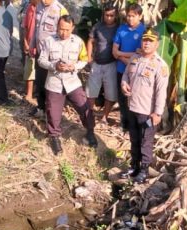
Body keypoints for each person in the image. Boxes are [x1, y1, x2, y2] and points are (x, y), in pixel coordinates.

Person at [38, 16, 97, 155]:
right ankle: (55, 137)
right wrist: (54, 66)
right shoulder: (49, 41)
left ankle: (90, 132)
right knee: (53, 113)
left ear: (72, 28)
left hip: (72, 82)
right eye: (61, 29)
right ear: (57, 27)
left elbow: (84, 59)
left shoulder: (77, 42)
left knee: (85, 108)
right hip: (54, 82)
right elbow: (41, 60)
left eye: (67, 30)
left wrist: (74, 67)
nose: (63, 32)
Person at [121, 27, 169, 184]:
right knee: (134, 139)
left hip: (147, 112)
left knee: (145, 142)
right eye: (144, 40)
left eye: (150, 41)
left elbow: (162, 92)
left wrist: (157, 113)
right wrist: (124, 84)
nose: (146, 43)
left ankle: (144, 170)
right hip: (132, 107)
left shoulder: (160, 66)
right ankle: (134, 166)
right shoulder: (135, 57)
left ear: (157, 44)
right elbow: (126, 74)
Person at [29, 0, 68, 117]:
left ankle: (52, 111)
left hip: (53, 57)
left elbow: (65, 34)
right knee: (40, 82)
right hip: (40, 54)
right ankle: (41, 107)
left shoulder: (60, 10)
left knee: (52, 85)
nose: (44, 0)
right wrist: (32, 45)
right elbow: (36, 29)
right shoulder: (39, 6)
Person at [113, 3, 145, 131]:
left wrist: (120, 54)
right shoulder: (121, 29)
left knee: (134, 98)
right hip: (121, 69)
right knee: (122, 97)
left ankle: (134, 125)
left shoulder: (144, 31)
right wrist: (122, 56)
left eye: (133, 16)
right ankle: (124, 123)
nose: (130, 19)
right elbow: (114, 51)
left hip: (136, 72)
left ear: (140, 16)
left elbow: (141, 52)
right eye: (128, 16)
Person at [85, 5, 119, 126]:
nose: (109, 18)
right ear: (103, 14)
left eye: (111, 15)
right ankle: (89, 115)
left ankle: (105, 117)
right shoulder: (98, 26)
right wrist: (89, 58)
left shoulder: (118, 28)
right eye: (107, 15)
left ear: (116, 16)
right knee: (90, 91)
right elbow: (90, 41)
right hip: (97, 64)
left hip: (111, 64)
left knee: (111, 93)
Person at [21, 0, 38, 103]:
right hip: (30, 45)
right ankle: (29, 93)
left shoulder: (45, 10)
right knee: (29, 69)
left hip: (41, 46)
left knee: (39, 71)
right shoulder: (29, 8)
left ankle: (38, 92)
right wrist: (25, 42)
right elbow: (25, 27)